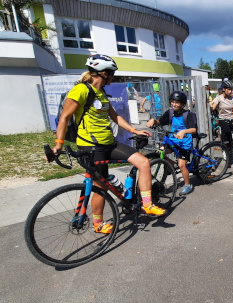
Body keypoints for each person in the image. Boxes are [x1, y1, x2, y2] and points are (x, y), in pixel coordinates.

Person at [52, 54, 166, 234]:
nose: (113, 77)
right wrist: (58, 144)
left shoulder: (101, 92)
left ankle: (147, 204)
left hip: (109, 143)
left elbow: (114, 116)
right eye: (112, 73)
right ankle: (98, 224)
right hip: (91, 147)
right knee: (100, 186)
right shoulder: (81, 90)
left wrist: (133, 130)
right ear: (104, 73)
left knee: (143, 162)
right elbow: (64, 117)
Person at [146, 91, 197, 195]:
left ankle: (188, 185)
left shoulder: (188, 115)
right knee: (160, 152)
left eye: (177, 102)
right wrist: (153, 121)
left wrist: (184, 131)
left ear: (182, 104)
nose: (174, 104)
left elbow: (194, 129)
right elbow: (160, 121)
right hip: (173, 140)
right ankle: (171, 164)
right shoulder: (170, 113)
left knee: (182, 165)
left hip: (184, 143)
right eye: (172, 102)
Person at [211, 79, 233, 163]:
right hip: (222, 119)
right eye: (228, 89)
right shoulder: (219, 98)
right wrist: (210, 107)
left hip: (231, 118)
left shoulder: (232, 99)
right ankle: (226, 150)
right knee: (227, 132)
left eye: (231, 89)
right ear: (224, 89)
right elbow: (213, 107)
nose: (230, 91)